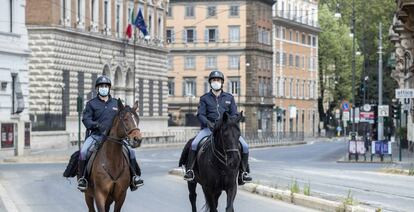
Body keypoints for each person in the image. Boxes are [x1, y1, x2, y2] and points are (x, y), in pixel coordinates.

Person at [183, 70, 252, 184]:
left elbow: (234, 114)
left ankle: (243, 172)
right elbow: (200, 114)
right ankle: (190, 170)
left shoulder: (229, 98)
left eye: (218, 80)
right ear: (210, 83)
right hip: (208, 129)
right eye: (214, 80)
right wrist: (207, 123)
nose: (216, 82)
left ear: (222, 82)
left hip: (225, 130)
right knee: (195, 144)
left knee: (244, 146)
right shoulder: (204, 98)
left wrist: (232, 121)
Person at [77, 75, 143, 192]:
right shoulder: (91, 104)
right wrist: (95, 124)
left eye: (106, 86)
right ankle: (83, 179)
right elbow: (86, 119)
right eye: (101, 86)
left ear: (109, 88)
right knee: (83, 151)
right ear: (97, 89)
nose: (104, 88)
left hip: (114, 137)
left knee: (131, 152)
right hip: (96, 136)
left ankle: (134, 177)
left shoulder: (116, 104)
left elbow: (124, 118)